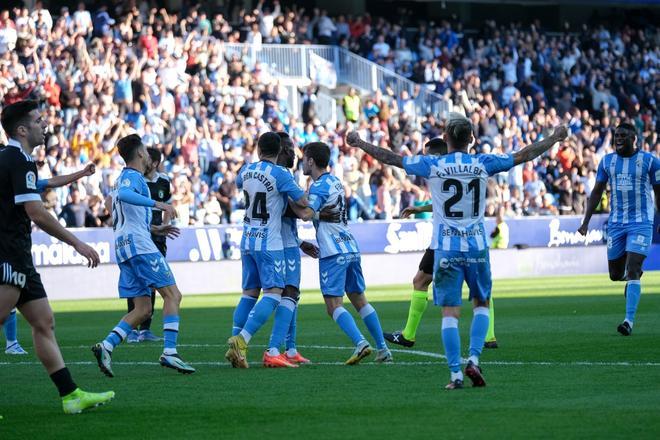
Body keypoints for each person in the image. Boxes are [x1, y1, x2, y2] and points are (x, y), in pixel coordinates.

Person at [347, 116, 568, 389]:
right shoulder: (483, 163)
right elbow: (524, 155)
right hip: (477, 247)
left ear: (446, 138)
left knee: (450, 313)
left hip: (446, 249)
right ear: (471, 138)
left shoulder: (433, 164)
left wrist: (359, 143)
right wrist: (554, 137)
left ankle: (454, 374)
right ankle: (474, 359)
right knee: (481, 305)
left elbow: (392, 158)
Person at [0, 100, 113, 413]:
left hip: (19, 256)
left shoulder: (13, 159)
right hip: (8, 255)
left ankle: (70, 395)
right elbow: (36, 212)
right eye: (38, 121)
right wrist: (77, 243)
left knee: (44, 322)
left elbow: (42, 187)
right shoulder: (17, 160)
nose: (44, 125)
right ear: (22, 130)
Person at [92, 134, 194, 376]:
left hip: (125, 247)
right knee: (173, 295)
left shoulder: (120, 181)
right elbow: (126, 196)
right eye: (147, 153)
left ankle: (107, 345)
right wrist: (160, 205)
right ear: (139, 153)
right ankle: (170, 352)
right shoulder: (131, 177)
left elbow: (121, 211)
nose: (150, 158)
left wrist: (155, 228)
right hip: (140, 247)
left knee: (143, 308)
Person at [292, 142, 392, 365]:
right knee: (360, 301)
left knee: (333, 305)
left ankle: (361, 343)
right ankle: (383, 349)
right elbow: (325, 212)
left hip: (332, 251)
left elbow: (308, 214)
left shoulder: (317, 186)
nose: (302, 163)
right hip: (350, 247)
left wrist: (288, 201)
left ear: (311, 161)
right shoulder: (335, 181)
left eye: (304, 159)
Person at [225, 132, 308, 369]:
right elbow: (301, 201)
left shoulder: (246, 170)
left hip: (248, 240)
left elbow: (241, 185)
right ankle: (242, 340)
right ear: (279, 150)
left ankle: (235, 346)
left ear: (259, 149)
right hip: (270, 243)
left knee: (249, 294)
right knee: (274, 293)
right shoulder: (281, 174)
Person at [1, 160, 97, 355]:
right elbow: (38, 213)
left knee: (40, 316)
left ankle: (12, 343)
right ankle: (12, 343)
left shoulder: (21, 181)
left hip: (14, 248)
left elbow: (52, 182)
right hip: (6, 247)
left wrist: (81, 173)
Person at [578, 122, 660, 336]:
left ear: (635, 139)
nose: (618, 139)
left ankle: (628, 321)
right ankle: (631, 282)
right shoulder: (607, 162)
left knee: (633, 268)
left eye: (623, 135)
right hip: (616, 223)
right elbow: (596, 192)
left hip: (641, 222)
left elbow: (659, 192)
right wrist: (585, 221)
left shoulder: (650, 161)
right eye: (616, 136)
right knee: (615, 274)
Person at [262, 132, 318, 367]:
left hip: (288, 242)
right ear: (281, 150)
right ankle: (274, 348)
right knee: (288, 294)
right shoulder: (281, 175)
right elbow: (288, 210)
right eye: (290, 147)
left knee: (293, 295)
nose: (294, 153)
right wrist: (313, 207)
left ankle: (291, 348)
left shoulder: (282, 175)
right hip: (282, 245)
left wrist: (300, 242)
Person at [126, 147, 173, 344]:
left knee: (153, 284)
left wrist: (165, 223)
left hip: (158, 237)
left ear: (153, 163)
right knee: (138, 281)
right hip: (140, 235)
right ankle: (131, 329)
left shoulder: (163, 181)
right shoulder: (136, 181)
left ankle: (145, 329)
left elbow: (168, 204)